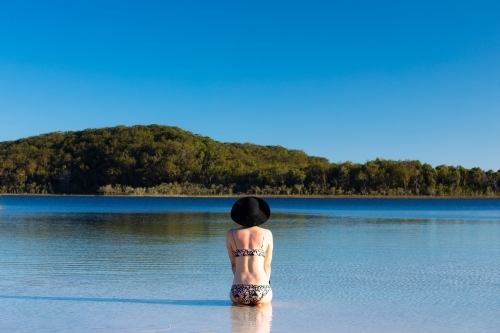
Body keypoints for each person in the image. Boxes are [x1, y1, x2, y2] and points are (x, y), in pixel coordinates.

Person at [226, 196, 273, 306]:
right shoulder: (267, 234)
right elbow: (267, 266)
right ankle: (259, 304)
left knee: (238, 319)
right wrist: (266, 283)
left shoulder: (231, 234)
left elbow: (234, 265)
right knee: (264, 316)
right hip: (261, 290)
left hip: (238, 291)